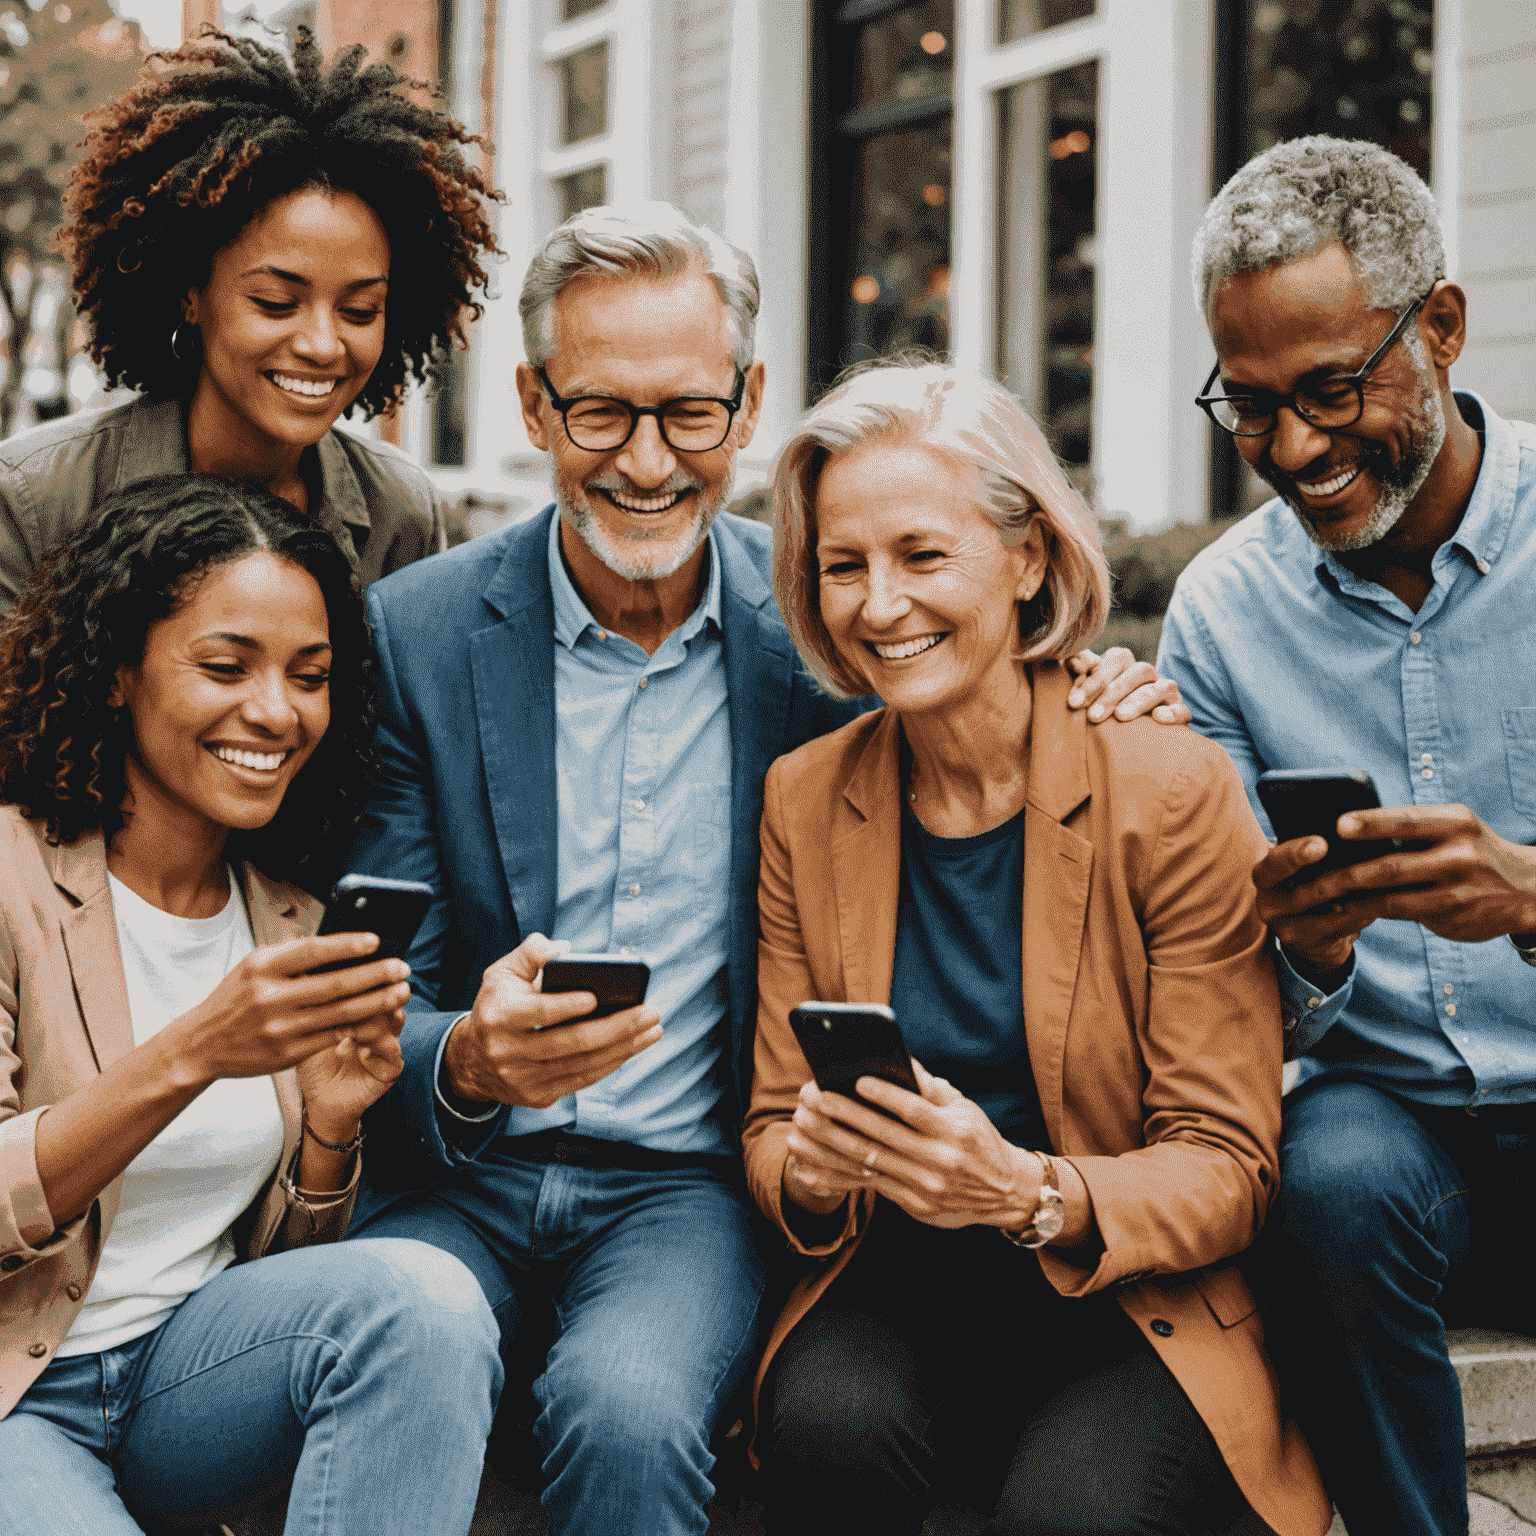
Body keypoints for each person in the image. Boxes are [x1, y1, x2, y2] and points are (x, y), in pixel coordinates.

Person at [339, 202, 1174, 1536]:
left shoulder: (831, 637)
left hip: (682, 1187)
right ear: (535, 407)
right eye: (602, 414)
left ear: (751, 402)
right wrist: (471, 1059)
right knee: (388, 1353)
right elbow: (376, 997)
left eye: (690, 413)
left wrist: (1102, 684)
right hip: (458, 1179)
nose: (649, 462)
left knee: (629, 1407)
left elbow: (994, 687)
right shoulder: (418, 636)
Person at [744, 358, 1331, 1536]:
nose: (878, 604)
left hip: (1129, 1300)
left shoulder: (1166, 785)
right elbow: (769, 1129)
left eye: (922, 555)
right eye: (844, 566)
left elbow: (1229, 1166)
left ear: (1027, 559)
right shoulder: (807, 798)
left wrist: (1023, 1193)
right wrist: (811, 1167)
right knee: (819, 1434)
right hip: (901, 1287)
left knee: (1073, 1516)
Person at [1156, 135, 1536, 1536]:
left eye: (1331, 389)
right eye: (1249, 408)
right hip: (1389, 1126)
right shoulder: (1217, 614)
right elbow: (1209, 977)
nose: (1297, 449)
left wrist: (1530, 897)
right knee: (1332, 1181)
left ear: (1438, 326)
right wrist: (1300, 952)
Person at [0, 474, 502, 1536]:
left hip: (183, 1386)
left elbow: (281, 1277)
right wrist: (193, 1054)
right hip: (14, 1396)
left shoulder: (291, 924)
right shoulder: (9, 879)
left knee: (428, 1299)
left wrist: (328, 1129)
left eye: (309, 676)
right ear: (118, 671)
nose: (275, 711)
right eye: (225, 667)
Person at [0, 26, 502, 611]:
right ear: (190, 292)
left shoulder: (405, 519)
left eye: (360, 310)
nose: (321, 344)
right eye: (274, 303)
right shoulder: (34, 502)